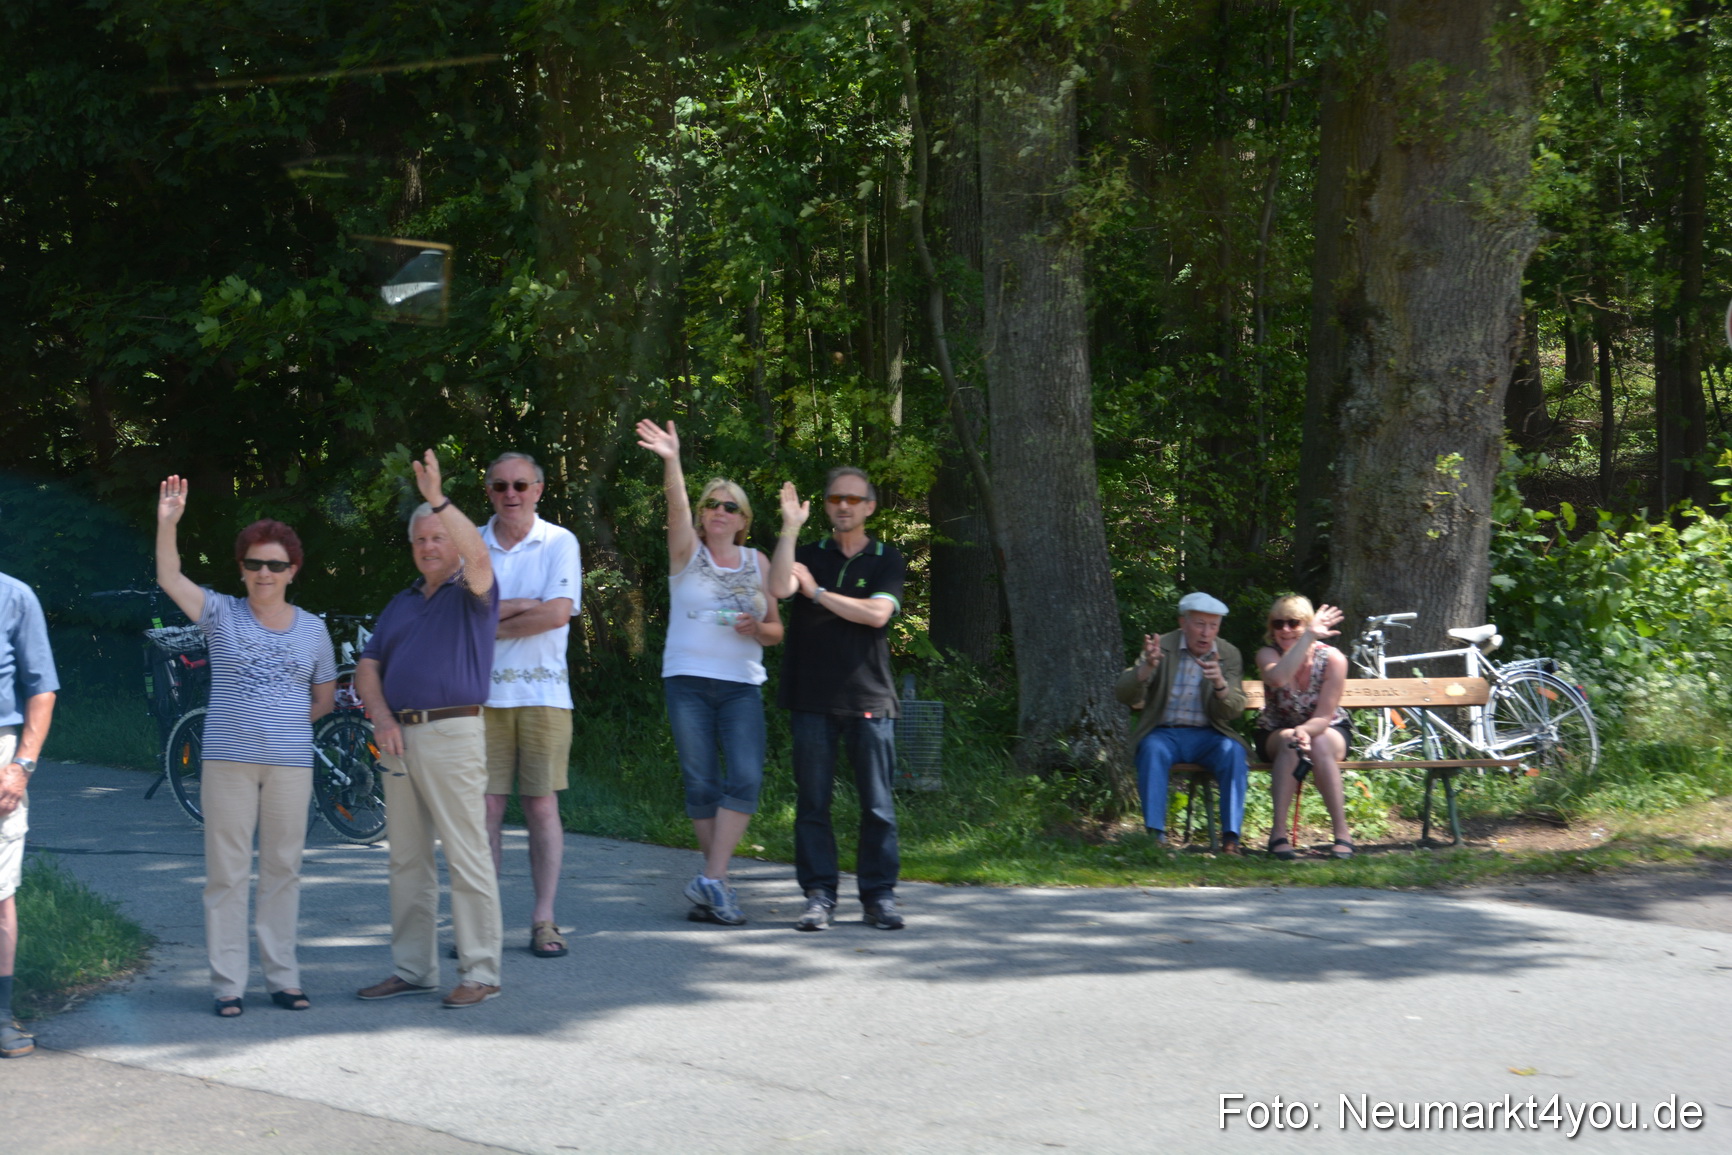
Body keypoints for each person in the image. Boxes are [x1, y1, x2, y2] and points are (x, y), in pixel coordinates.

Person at [155, 477, 336, 1017]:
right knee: (227, 874)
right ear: (241, 568)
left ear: (292, 570)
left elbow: (324, 698)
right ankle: (228, 984)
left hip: (289, 766)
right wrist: (168, 523)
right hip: (227, 763)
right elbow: (169, 577)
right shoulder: (219, 613)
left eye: (276, 565)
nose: (264, 573)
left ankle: (283, 978)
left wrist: (282, 726)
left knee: (283, 870)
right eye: (255, 563)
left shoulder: (314, 630)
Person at [353, 450, 505, 1009]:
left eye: (438, 537)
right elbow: (368, 667)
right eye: (420, 539)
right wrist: (381, 716)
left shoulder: (475, 591)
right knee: (407, 860)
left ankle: (481, 972)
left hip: (452, 733)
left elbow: (479, 552)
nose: (428, 546)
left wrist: (438, 499)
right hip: (397, 737)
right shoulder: (400, 603)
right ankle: (413, 969)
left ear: (454, 542)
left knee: (466, 854)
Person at [635, 419, 784, 926]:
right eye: (712, 504)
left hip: (741, 685)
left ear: (743, 520)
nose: (720, 511)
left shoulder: (758, 562)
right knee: (701, 784)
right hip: (687, 683)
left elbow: (776, 631)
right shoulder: (686, 554)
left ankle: (712, 880)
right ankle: (716, 887)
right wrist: (672, 460)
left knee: (745, 777)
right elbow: (675, 508)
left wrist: (757, 628)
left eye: (730, 507)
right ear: (701, 515)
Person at [768, 467, 906, 931]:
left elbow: (877, 615)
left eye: (853, 498)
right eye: (834, 498)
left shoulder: (887, 558)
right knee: (812, 804)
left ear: (870, 506)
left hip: (870, 697)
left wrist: (818, 592)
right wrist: (790, 528)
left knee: (878, 806)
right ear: (825, 506)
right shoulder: (806, 554)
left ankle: (879, 897)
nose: (843, 505)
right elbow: (779, 588)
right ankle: (819, 896)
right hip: (810, 696)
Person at [479, 452, 581, 958]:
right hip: (480, 695)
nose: (511, 494)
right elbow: (459, 614)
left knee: (541, 805)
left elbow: (558, 614)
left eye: (520, 485)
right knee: (486, 808)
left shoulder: (560, 542)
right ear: (489, 492)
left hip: (544, 694)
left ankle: (544, 919)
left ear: (539, 490)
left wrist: (489, 624)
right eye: (500, 486)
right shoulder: (470, 544)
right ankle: (481, 924)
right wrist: (523, 605)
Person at [1114, 592, 1249, 853]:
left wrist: (1219, 684)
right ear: (1183, 623)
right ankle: (1156, 837)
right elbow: (1124, 694)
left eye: (1213, 626)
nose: (1206, 633)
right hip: (1164, 734)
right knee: (1152, 749)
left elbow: (1233, 710)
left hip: (1209, 735)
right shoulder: (1161, 646)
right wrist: (1146, 668)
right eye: (1199, 624)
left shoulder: (1228, 654)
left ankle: (1231, 839)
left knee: (1233, 752)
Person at [1, 570, 58, 1057]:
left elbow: (42, 689)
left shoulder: (15, 597)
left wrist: (21, 766)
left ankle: (0, 1015)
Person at [1255, 596, 1354, 860]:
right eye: (1278, 623)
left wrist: (1306, 731)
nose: (1285, 629)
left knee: (1319, 742)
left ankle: (1342, 833)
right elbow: (1278, 678)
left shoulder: (1333, 659)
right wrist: (1306, 638)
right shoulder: (1267, 655)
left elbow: (1323, 716)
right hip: (1277, 730)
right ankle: (1278, 834)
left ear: (1308, 624)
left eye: (1294, 623)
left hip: (1326, 728)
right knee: (1290, 741)